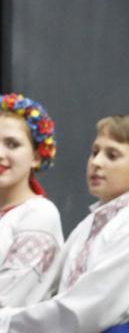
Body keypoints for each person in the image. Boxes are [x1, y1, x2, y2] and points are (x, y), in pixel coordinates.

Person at [0, 114, 129, 333]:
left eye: (112, 155)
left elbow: (88, 308)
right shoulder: (88, 225)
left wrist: (8, 320)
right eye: (95, 152)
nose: (96, 162)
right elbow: (51, 290)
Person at [0, 93, 62, 308]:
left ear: (36, 156)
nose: (0, 153)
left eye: (12, 144)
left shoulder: (39, 214)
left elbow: (8, 299)